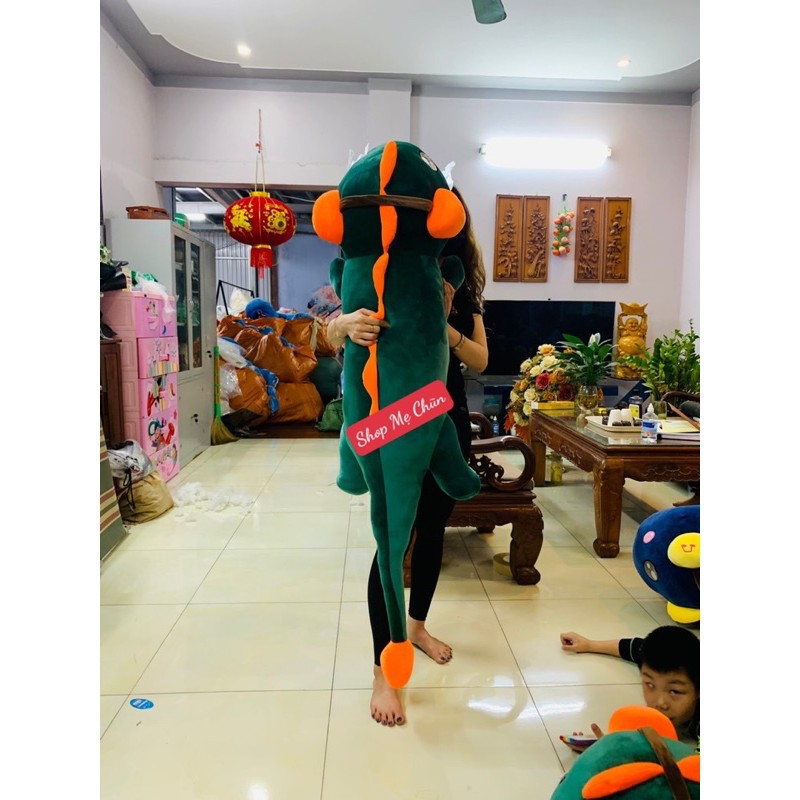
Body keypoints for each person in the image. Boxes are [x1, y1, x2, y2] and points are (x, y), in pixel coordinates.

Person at [326, 186, 488, 727]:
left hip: (443, 414)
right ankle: (382, 669)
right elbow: (327, 332)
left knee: (434, 528)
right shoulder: (372, 261)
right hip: (389, 414)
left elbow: (481, 359)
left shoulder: (455, 281)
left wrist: (442, 322)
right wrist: (344, 325)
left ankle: (416, 626)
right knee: (392, 539)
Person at [559, 625, 700, 750]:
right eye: (650, 685)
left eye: (674, 691)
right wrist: (589, 645)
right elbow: (633, 647)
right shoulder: (653, 656)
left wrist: (612, 752)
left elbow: (691, 767)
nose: (660, 703)